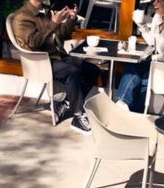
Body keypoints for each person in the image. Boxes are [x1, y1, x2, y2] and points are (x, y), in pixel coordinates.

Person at [11, 0, 99, 134]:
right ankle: (78, 115)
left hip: (56, 57)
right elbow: (32, 42)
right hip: (40, 62)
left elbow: (61, 35)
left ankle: (65, 104)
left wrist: (71, 19)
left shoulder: (46, 10)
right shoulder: (22, 17)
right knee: (72, 71)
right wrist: (54, 22)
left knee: (92, 70)